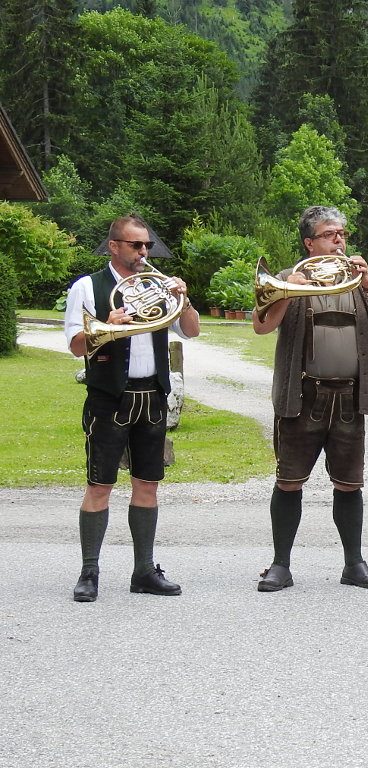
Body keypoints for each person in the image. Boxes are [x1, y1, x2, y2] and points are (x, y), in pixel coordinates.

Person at [253, 206, 368, 592]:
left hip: (349, 397)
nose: (339, 240)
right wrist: (291, 288)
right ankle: (280, 565)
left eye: (342, 234)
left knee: (350, 483)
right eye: (329, 234)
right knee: (289, 481)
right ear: (309, 242)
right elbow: (261, 325)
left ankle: (354, 564)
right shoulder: (287, 278)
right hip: (302, 395)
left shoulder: (359, 280)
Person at [64, 214, 201, 602]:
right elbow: (76, 345)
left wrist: (183, 300)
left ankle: (144, 571)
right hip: (109, 398)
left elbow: (191, 330)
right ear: (114, 247)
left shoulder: (158, 288)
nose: (144, 252)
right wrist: (107, 325)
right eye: (136, 245)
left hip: (152, 397)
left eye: (147, 246)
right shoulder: (88, 287)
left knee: (147, 485)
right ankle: (89, 571)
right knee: (99, 486)